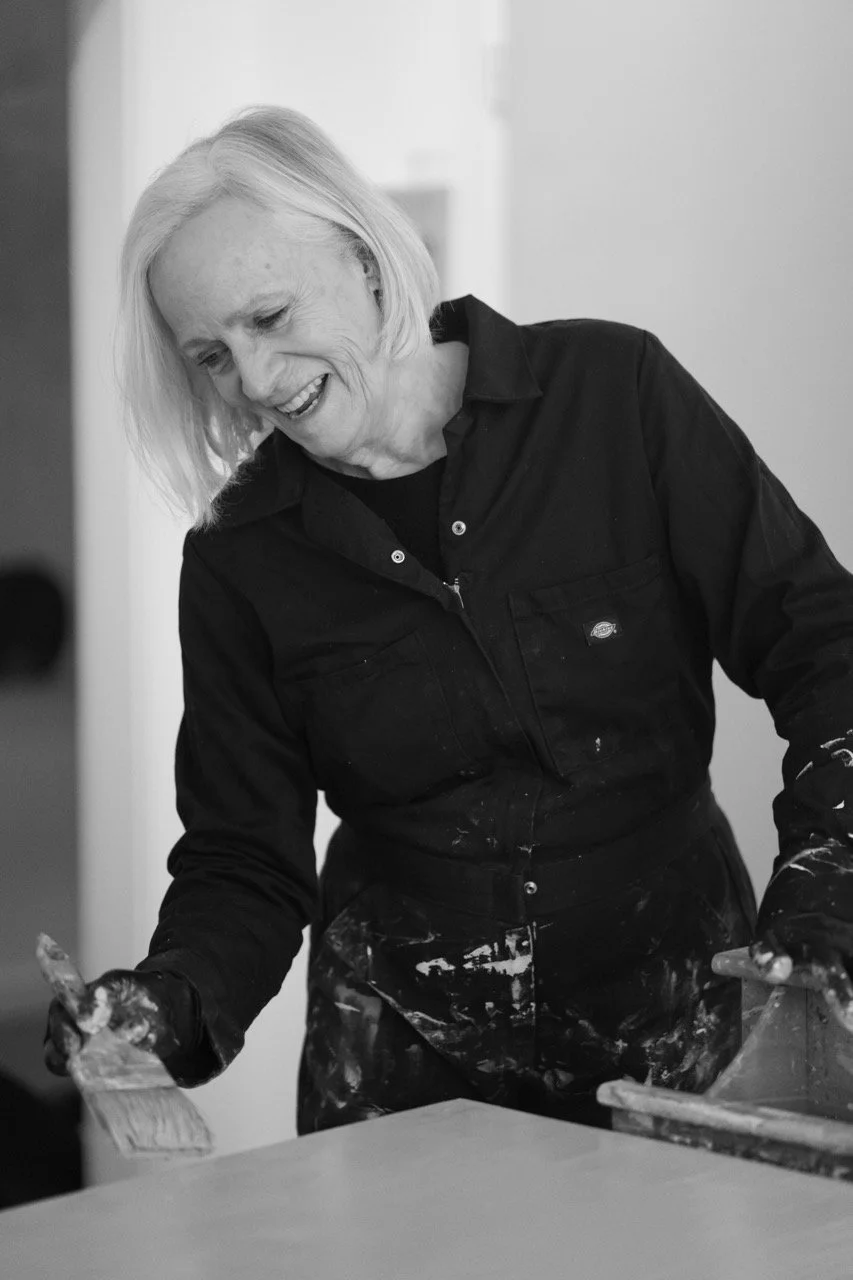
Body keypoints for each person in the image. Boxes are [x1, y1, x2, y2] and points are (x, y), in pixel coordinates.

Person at [45, 105, 853, 1133]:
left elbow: (825, 644)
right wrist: (161, 1004)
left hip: (674, 1021)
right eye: (210, 355)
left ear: (367, 259)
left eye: (269, 316)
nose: (251, 380)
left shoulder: (615, 398)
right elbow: (243, 859)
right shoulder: (237, 559)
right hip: (400, 1070)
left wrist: (823, 911)